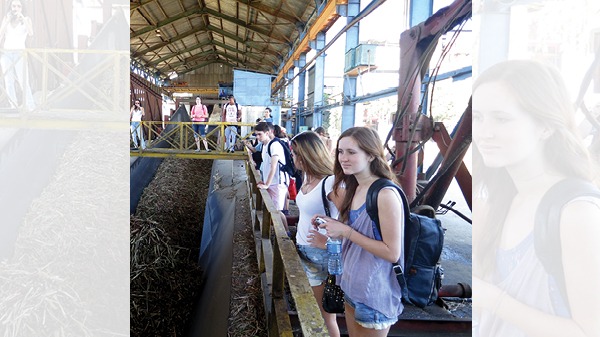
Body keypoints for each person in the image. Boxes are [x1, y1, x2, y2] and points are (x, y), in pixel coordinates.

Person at [472, 60, 600, 336]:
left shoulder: (577, 212)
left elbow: (589, 331)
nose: (484, 132)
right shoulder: (501, 200)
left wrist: (492, 299)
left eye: (502, 118)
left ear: (546, 126)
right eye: (478, 118)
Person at [312, 126, 405, 336]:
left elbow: (392, 252)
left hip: (373, 294)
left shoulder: (385, 193)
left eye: (352, 152)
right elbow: (354, 235)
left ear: (371, 154)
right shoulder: (355, 186)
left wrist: (344, 230)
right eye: (340, 151)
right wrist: (329, 228)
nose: (343, 158)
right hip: (350, 285)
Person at [290, 131, 341, 337]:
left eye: (294, 153)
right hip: (305, 251)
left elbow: (349, 220)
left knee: (325, 315)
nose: (292, 157)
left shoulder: (330, 182)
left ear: (305, 155)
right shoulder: (306, 177)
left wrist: (327, 242)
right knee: (314, 310)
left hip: (320, 255)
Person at [254, 122, 289, 232]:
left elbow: (274, 166)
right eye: (256, 135)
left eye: (259, 134)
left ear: (268, 133)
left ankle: (286, 233)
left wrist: (267, 184)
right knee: (272, 209)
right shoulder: (265, 145)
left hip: (277, 182)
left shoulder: (275, 145)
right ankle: (275, 231)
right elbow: (266, 165)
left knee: (277, 211)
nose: (257, 137)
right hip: (271, 182)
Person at [0, 0, 34, 111]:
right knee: (8, 81)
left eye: (18, 6)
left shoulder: (27, 19)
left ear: (22, 8)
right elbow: (1, 34)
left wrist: (22, 17)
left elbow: (30, 33)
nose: (16, 8)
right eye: (14, 6)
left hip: (20, 53)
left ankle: (30, 105)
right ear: (10, 7)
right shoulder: (6, 18)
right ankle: (13, 106)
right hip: (7, 53)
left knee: (23, 80)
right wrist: (7, 21)